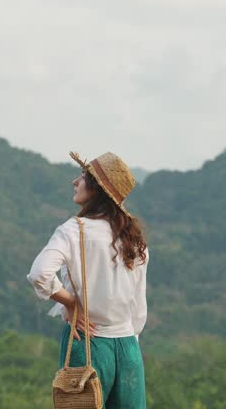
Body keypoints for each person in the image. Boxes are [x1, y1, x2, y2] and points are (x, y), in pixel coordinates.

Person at [27, 151, 149, 409]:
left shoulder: (74, 230)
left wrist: (71, 303)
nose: (75, 181)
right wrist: (128, 343)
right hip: (129, 349)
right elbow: (138, 308)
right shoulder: (134, 239)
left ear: (96, 190)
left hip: (88, 344)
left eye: (82, 177)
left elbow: (40, 274)